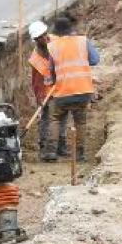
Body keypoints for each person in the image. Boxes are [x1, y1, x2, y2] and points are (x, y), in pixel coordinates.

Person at [45, 13, 101, 161]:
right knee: (80, 121)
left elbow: (51, 71)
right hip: (83, 90)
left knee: (55, 118)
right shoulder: (83, 41)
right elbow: (95, 60)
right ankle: (80, 154)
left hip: (62, 91)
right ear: (71, 28)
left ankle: (51, 151)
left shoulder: (53, 46)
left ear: (57, 32)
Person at [26, 20, 54, 154]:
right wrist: (40, 98)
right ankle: (45, 147)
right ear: (36, 40)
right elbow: (36, 82)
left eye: (45, 34)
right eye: (41, 37)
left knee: (60, 118)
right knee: (46, 117)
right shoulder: (35, 59)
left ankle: (59, 145)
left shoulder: (55, 42)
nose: (45, 38)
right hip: (47, 92)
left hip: (60, 87)